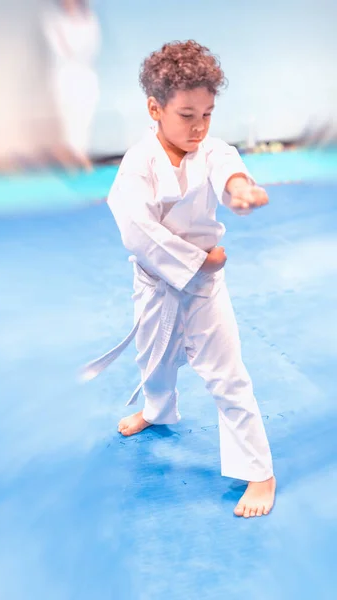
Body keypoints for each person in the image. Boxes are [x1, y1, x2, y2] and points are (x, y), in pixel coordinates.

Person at [83, 40, 276, 518]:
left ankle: (259, 472)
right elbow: (136, 231)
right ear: (155, 108)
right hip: (159, 281)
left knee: (227, 377)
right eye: (188, 114)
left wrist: (240, 190)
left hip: (206, 290)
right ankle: (157, 410)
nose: (199, 127)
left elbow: (226, 167)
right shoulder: (137, 164)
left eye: (208, 114)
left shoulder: (210, 150)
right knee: (155, 362)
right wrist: (197, 260)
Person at [43, 0, 100, 170]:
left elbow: (92, 45)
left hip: (86, 73)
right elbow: (61, 49)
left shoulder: (89, 18)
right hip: (65, 74)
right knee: (69, 118)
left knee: (85, 116)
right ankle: (73, 158)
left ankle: (81, 154)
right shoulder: (52, 19)